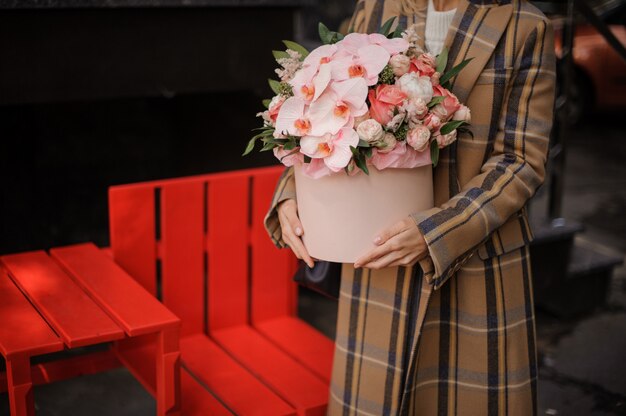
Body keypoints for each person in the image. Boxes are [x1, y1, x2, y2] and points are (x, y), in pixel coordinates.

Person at [264, 0, 556, 414]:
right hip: (377, 260)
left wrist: (437, 231)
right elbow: (324, 112)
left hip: (476, 262)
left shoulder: (525, 24)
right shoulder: (375, 8)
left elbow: (521, 160)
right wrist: (292, 191)